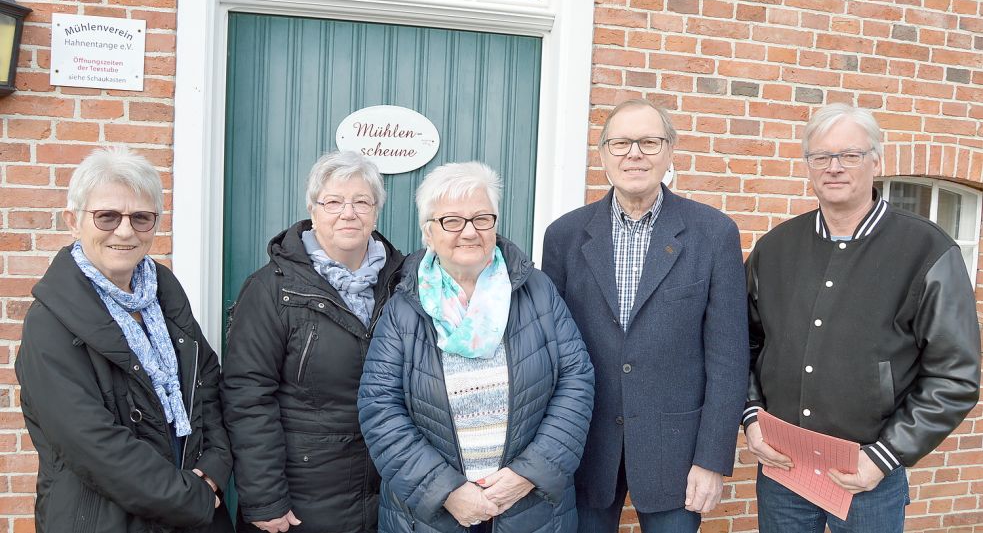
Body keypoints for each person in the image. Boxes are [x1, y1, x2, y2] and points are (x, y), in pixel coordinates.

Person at [743, 104, 981, 532]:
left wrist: (885, 455)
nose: (833, 167)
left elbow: (955, 375)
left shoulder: (925, 250)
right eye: (820, 157)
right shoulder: (774, 248)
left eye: (849, 155)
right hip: (783, 469)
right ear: (808, 166)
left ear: (876, 160)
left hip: (869, 474)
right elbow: (743, 345)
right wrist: (752, 418)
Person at [542, 98, 749, 532]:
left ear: (670, 151)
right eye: (620, 143)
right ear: (602, 156)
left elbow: (729, 358)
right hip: (584, 448)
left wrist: (711, 459)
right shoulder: (563, 235)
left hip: (677, 453)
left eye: (649, 142)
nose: (634, 153)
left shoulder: (714, 233)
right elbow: (550, 351)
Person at [358, 161, 595, 532]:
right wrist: (446, 491)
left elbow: (575, 382)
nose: (469, 232)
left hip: (529, 507)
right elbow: (379, 406)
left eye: (481, 218)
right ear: (429, 233)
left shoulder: (538, 291)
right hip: (431, 514)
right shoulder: (404, 304)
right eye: (452, 220)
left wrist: (527, 475)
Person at [15, 147, 233, 533]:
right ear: (73, 221)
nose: (125, 230)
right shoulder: (49, 322)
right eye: (107, 216)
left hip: (191, 511)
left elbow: (207, 385)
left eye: (141, 217)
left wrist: (214, 469)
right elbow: (92, 444)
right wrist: (193, 497)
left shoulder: (164, 292)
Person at [221, 151, 405, 533]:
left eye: (361, 202)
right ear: (313, 209)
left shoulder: (404, 282)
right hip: (304, 498)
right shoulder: (272, 289)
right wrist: (264, 497)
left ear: (376, 211)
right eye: (334, 201)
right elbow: (247, 395)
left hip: (391, 491)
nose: (348, 212)